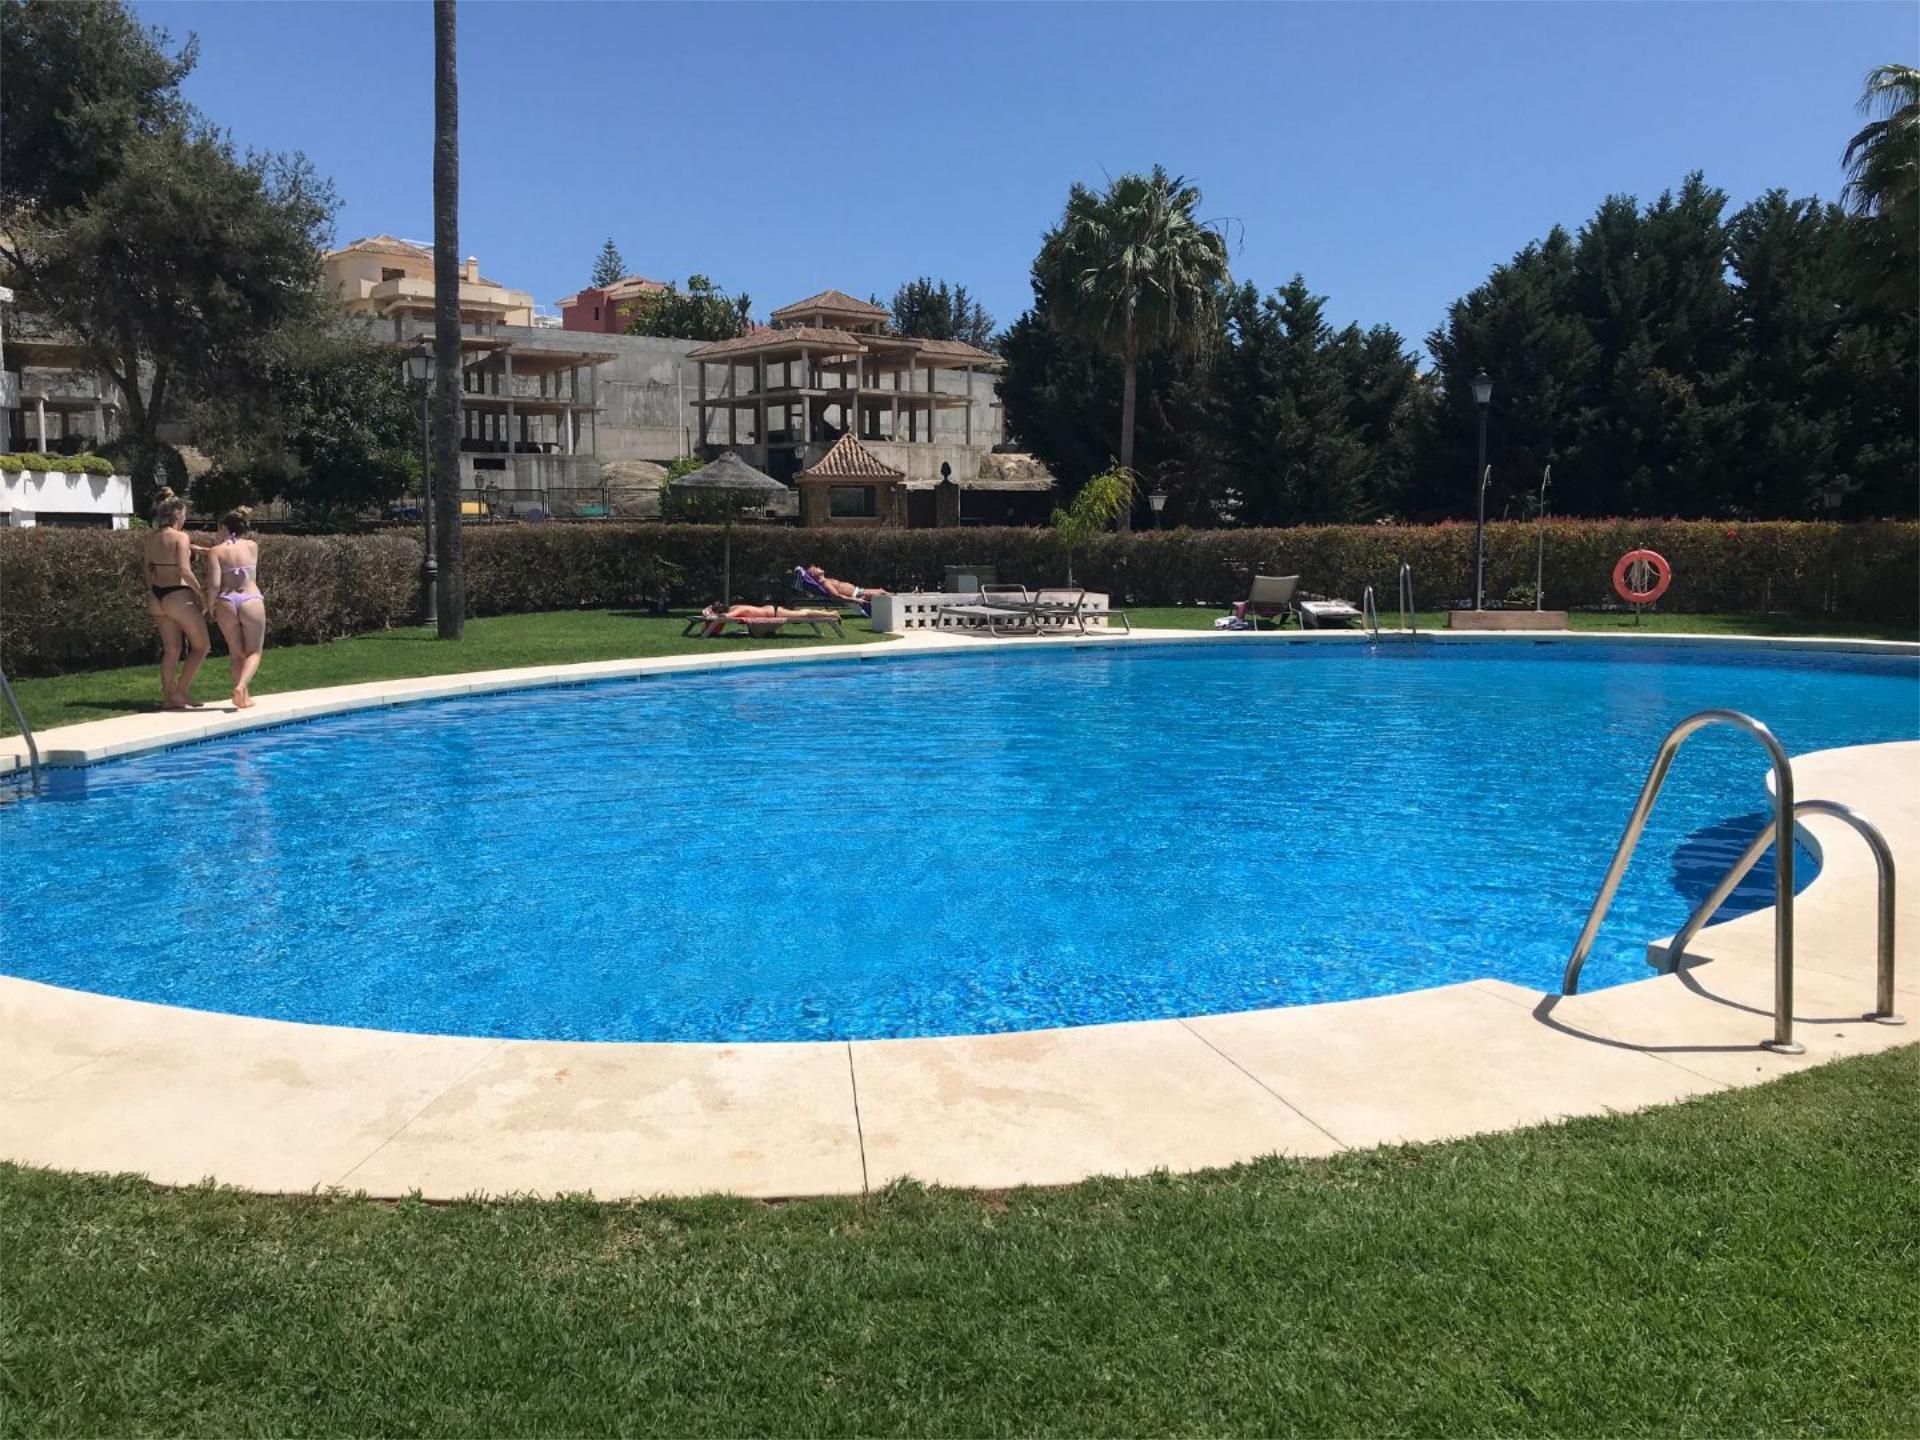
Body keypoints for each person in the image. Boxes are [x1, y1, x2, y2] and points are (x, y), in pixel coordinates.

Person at [141, 489, 211, 710]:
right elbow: (184, 569)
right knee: (202, 646)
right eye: (183, 513)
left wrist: (153, 591)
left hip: (156, 596)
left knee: (171, 650)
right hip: (177, 594)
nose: (185, 516)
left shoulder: (150, 538)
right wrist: (202, 593)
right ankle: (180, 692)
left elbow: (147, 571)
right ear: (176, 514)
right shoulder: (181, 537)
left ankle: (168, 697)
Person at [203, 506, 267, 709]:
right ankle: (242, 688)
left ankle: (242, 694)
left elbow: (213, 583)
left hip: (227, 600)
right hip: (250, 598)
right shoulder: (252, 546)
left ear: (223, 527)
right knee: (254, 652)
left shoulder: (216, 551)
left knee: (235, 651)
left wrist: (210, 605)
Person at [699, 603, 838, 638]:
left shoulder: (735, 610)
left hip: (775, 613)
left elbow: (727, 617)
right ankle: (829, 614)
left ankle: (831, 614)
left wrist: (711, 615)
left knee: (804, 614)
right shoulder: (734, 606)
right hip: (772, 611)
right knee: (803, 614)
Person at [805, 565, 888, 604]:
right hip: (857, 595)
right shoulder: (826, 583)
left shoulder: (827, 581)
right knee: (882, 593)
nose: (819, 567)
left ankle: (899, 602)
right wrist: (854, 600)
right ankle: (900, 606)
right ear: (813, 574)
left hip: (858, 591)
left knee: (882, 591)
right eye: (816, 568)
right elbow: (836, 596)